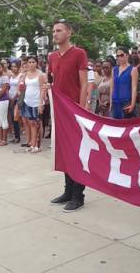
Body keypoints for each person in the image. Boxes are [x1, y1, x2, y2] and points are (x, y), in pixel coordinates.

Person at [48, 19, 88, 212]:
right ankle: (67, 190)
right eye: (54, 31)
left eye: (59, 30)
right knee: (64, 152)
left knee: (77, 153)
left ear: (69, 33)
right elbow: (55, 81)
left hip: (75, 111)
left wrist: (82, 109)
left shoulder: (79, 53)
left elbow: (84, 83)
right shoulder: (52, 56)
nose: (55, 34)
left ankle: (78, 195)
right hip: (59, 111)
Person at [21, 56, 45, 153]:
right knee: (31, 123)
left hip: (37, 102)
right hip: (28, 101)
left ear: (36, 63)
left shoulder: (40, 74)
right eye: (29, 62)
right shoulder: (26, 74)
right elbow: (23, 87)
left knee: (37, 123)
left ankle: (37, 146)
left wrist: (40, 103)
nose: (31, 64)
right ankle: (32, 144)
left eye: (33, 62)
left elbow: (42, 89)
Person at [109, 46, 138, 119]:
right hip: (115, 101)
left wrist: (133, 104)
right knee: (115, 126)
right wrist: (111, 102)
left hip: (126, 102)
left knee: (126, 126)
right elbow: (112, 87)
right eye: (117, 56)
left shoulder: (133, 69)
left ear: (127, 55)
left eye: (121, 55)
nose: (119, 58)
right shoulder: (114, 69)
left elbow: (134, 88)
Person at [9, 61, 21, 143]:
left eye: (15, 66)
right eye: (12, 66)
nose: (13, 68)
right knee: (13, 118)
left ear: (18, 67)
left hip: (17, 99)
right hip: (10, 98)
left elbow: (19, 88)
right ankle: (16, 135)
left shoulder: (21, 76)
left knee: (16, 117)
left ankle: (18, 137)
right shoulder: (11, 76)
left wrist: (14, 97)